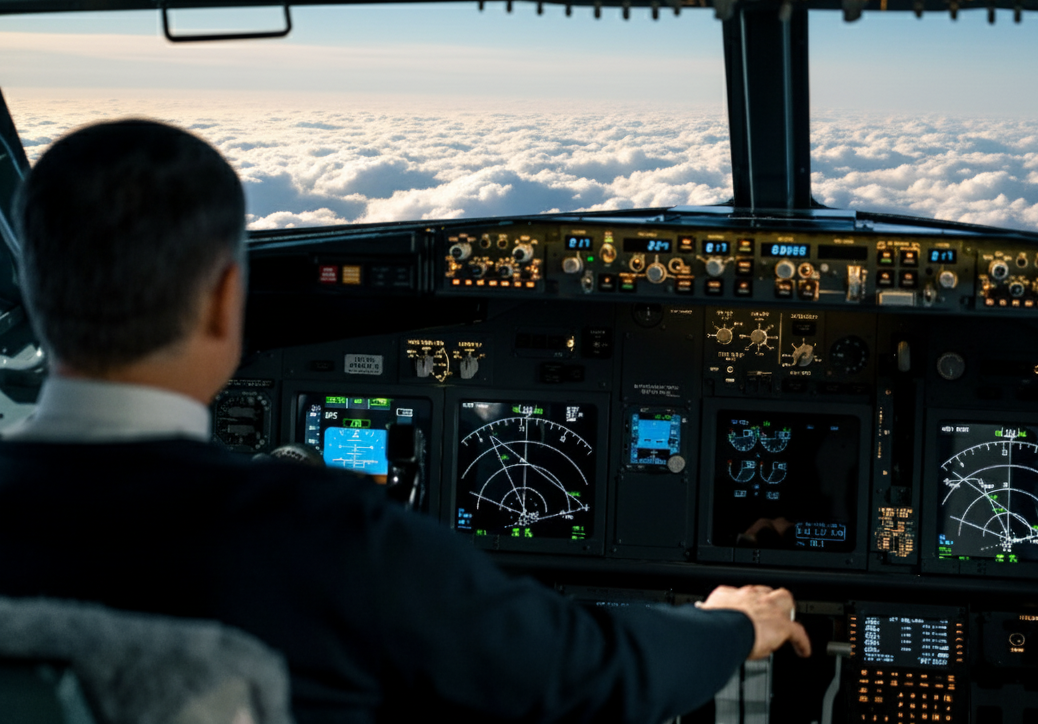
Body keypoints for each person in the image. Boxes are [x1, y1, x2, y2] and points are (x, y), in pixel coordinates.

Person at [0, 119, 811, 723]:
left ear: (35, 296)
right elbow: (594, 678)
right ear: (222, 300)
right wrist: (731, 625)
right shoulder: (331, 537)